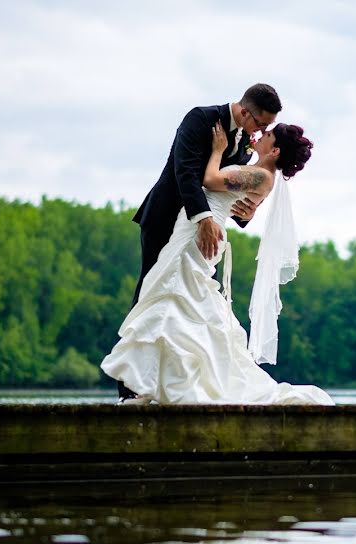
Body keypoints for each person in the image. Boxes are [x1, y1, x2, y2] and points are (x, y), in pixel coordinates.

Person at [101, 121, 333, 406]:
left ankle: (166, 380)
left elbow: (210, 181)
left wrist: (218, 150)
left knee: (176, 295)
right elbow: (241, 209)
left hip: (200, 236)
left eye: (267, 135)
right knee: (184, 300)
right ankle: (163, 379)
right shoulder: (259, 173)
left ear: (274, 150)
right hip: (196, 231)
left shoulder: (261, 175)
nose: (260, 136)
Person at [117, 83, 280, 400]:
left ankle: (189, 384)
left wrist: (248, 209)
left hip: (207, 235)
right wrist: (203, 219)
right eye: (260, 123)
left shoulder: (246, 144)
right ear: (245, 112)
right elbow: (186, 173)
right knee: (151, 294)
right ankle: (131, 388)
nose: (260, 132)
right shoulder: (200, 119)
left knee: (198, 304)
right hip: (167, 220)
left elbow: (233, 200)